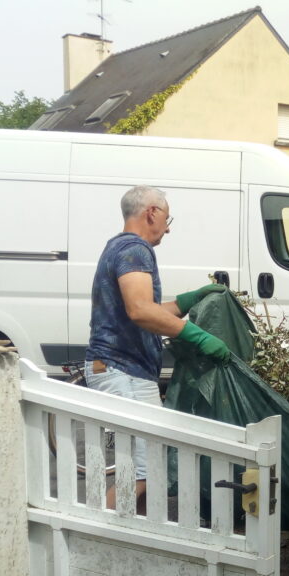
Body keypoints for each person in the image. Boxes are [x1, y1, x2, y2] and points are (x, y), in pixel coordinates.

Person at [86, 185, 230, 511]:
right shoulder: (134, 250)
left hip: (130, 370)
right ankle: (93, 534)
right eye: (167, 218)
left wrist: (185, 302)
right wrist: (197, 336)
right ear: (152, 212)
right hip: (122, 369)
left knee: (150, 466)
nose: (167, 228)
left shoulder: (119, 247)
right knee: (142, 471)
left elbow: (143, 311)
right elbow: (140, 310)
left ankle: (130, 537)